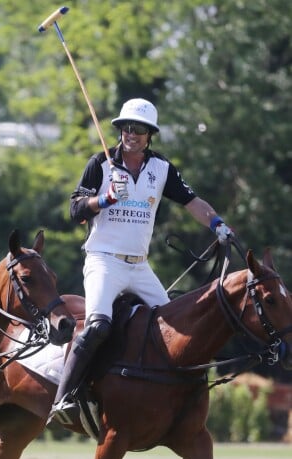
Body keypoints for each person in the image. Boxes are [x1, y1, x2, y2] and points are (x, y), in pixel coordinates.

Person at [52, 98, 232, 423]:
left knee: (173, 330)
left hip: (140, 265)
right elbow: (75, 209)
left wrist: (218, 225)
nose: (131, 134)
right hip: (104, 260)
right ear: (120, 130)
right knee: (97, 326)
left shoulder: (161, 168)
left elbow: (192, 202)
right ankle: (64, 397)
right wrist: (104, 199)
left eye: (139, 130)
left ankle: (167, 400)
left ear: (150, 135)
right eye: (126, 128)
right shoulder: (101, 164)